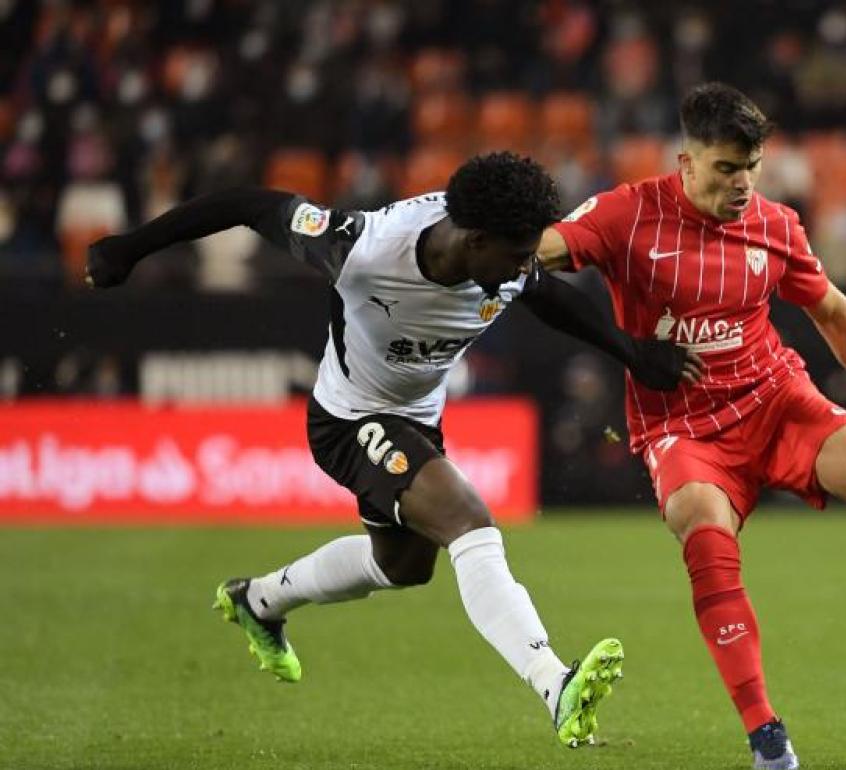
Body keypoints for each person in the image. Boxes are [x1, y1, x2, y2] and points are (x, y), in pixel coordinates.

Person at [86, 151, 703, 749]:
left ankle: (260, 599)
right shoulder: (363, 247)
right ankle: (555, 684)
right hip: (350, 420)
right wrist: (129, 247)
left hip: (418, 421)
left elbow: (549, 297)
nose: (528, 265)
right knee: (467, 520)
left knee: (403, 566)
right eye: (518, 255)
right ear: (474, 240)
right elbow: (250, 204)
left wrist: (631, 354)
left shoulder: (506, 258)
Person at [536, 83, 846, 769]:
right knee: (704, 532)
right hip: (683, 429)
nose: (742, 184)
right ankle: (767, 736)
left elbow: (832, 311)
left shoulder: (775, 225)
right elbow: (542, 251)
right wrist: (503, 246)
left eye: (752, 167)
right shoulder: (629, 212)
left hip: (775, 399)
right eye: (725, 168)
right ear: (686, 162)